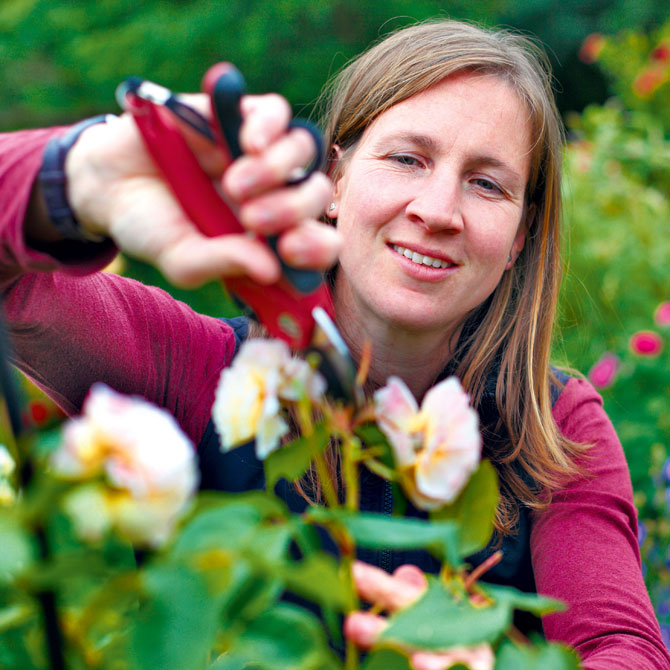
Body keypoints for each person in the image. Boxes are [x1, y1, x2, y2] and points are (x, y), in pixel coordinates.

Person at [0, 19, 668, 669]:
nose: (438, 210)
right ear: (335, 180)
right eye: (407, 158)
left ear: (521, 236)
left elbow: (627, 650)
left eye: (487, 183)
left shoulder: (552, 425)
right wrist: (68, 182)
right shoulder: (198, 367)